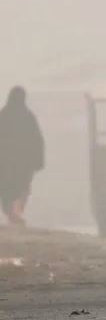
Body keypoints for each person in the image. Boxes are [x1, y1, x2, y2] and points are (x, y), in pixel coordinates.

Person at [0, 87, 45, 226]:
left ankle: (14, 215)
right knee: (21, 189)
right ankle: (15, 215)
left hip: (10, 163)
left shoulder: (4, 115)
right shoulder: (27, 116)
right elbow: (38, 140)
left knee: (10, 190)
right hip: (21, 163)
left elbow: (37, 140)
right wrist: (38, 160)